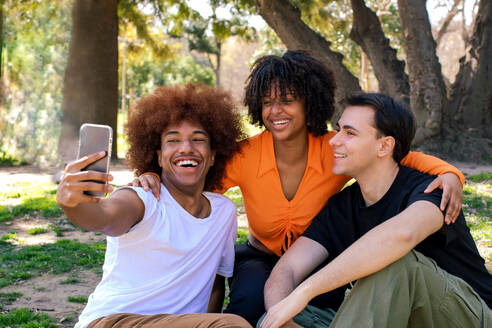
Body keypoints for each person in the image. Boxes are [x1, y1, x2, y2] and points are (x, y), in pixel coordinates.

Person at [133, 51, 466, 326]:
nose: (275, 111)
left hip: (318, 256)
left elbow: (402, 157)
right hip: (260, 257)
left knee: (328, 309)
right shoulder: (245, 155)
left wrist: (449, 174)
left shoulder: (333, 150)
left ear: (309, 103)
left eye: (287, 100)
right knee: (247, 310)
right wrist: (152, 176)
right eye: (267, 102)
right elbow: (190, 178)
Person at [259, 93, 492, 328]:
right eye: (338, 130)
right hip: (387, 319)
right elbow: (287, 269)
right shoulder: (341, 206)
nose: (334, 140)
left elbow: (403, 234)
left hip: (467, 317)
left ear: (384, 146)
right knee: (273, 319)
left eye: (349, 133)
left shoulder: (432, 189)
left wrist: (304, 293)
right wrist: (284, 320)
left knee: (395, 264)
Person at [56, 84, 252, 328]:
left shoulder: (223, 212)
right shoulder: (144, 198)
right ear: (158, 156)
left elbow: (214, 285)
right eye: (173, 140)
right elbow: (103, 217)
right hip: (115, 321)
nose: (186, 148)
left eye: (198, 139)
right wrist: (73, 204)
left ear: (213, 155)